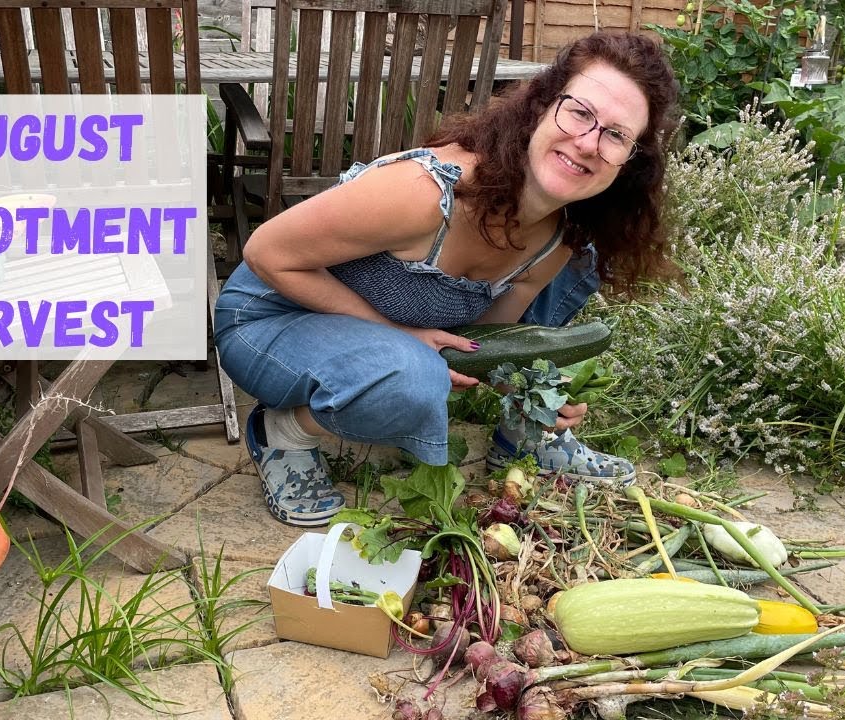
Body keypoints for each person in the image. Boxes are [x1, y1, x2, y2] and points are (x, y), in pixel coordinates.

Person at [214, 31, 678, 526]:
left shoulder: (556, 239)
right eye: (579, 112)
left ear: (630, 162)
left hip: (373, 329)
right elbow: (266, 253)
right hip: (271, 316)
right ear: (541, 106)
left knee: (580, 264)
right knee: (414, 378)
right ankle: (284, 431)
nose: (587, 143)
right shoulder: (425, 193)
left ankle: (525, 436)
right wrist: (405, 340)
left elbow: (487, 344)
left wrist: (530, 389)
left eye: (616, 135)